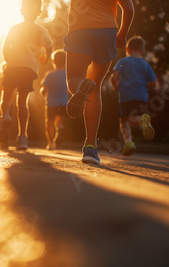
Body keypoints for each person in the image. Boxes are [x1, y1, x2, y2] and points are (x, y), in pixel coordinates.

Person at [63, 0, 134, 164]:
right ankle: (90, 146)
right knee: (94, 89)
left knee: (73, 79)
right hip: (106, 31)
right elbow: (129, 9)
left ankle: (81, 87)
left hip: (79, 30)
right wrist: (122, 34)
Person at [0, 0, 52, 150]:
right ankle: (22, 137)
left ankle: (6, 115)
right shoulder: (41, 31)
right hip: (29, 69)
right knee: (23, 102)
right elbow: (49, 47)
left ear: (21, 11)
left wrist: (8, 60)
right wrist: (43, 59)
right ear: (39, 12)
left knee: (6, 96)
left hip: (13, 65)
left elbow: (5, 47)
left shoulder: (14, 28)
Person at [110, 36, 156, 156]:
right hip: (142, 96)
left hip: (126, 96)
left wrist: (115, 86)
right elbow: (153, 83)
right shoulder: (146, 65)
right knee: (133, 117)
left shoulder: (122, 62)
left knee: (125, 120)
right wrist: (144, 85)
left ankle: (129, 142)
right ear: (143, 51)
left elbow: (114, 77)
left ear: (127, 50)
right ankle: (140, 123)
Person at [41, 49, 69, 150]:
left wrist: (43, 93)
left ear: (53, 62)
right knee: (59, 119)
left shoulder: (50, 74)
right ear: (65, 61)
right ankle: (60, 128)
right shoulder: (67, 75)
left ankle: (51, 143)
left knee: (49, 122)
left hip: (51, 103)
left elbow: (44, 90)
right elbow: (70, 89)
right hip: (63, 102)